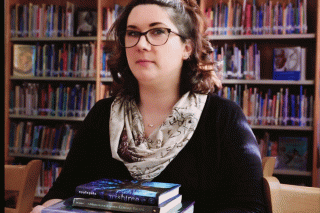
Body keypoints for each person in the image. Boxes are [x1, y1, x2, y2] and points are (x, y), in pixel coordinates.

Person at [32, 0, 267, 212]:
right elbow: (63, 191)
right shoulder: (102, 115)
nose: (141, 44)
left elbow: (250, 208)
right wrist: (46, 208)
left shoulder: (223, 118)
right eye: (132, 33)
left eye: (157, 32)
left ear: (187, 47)